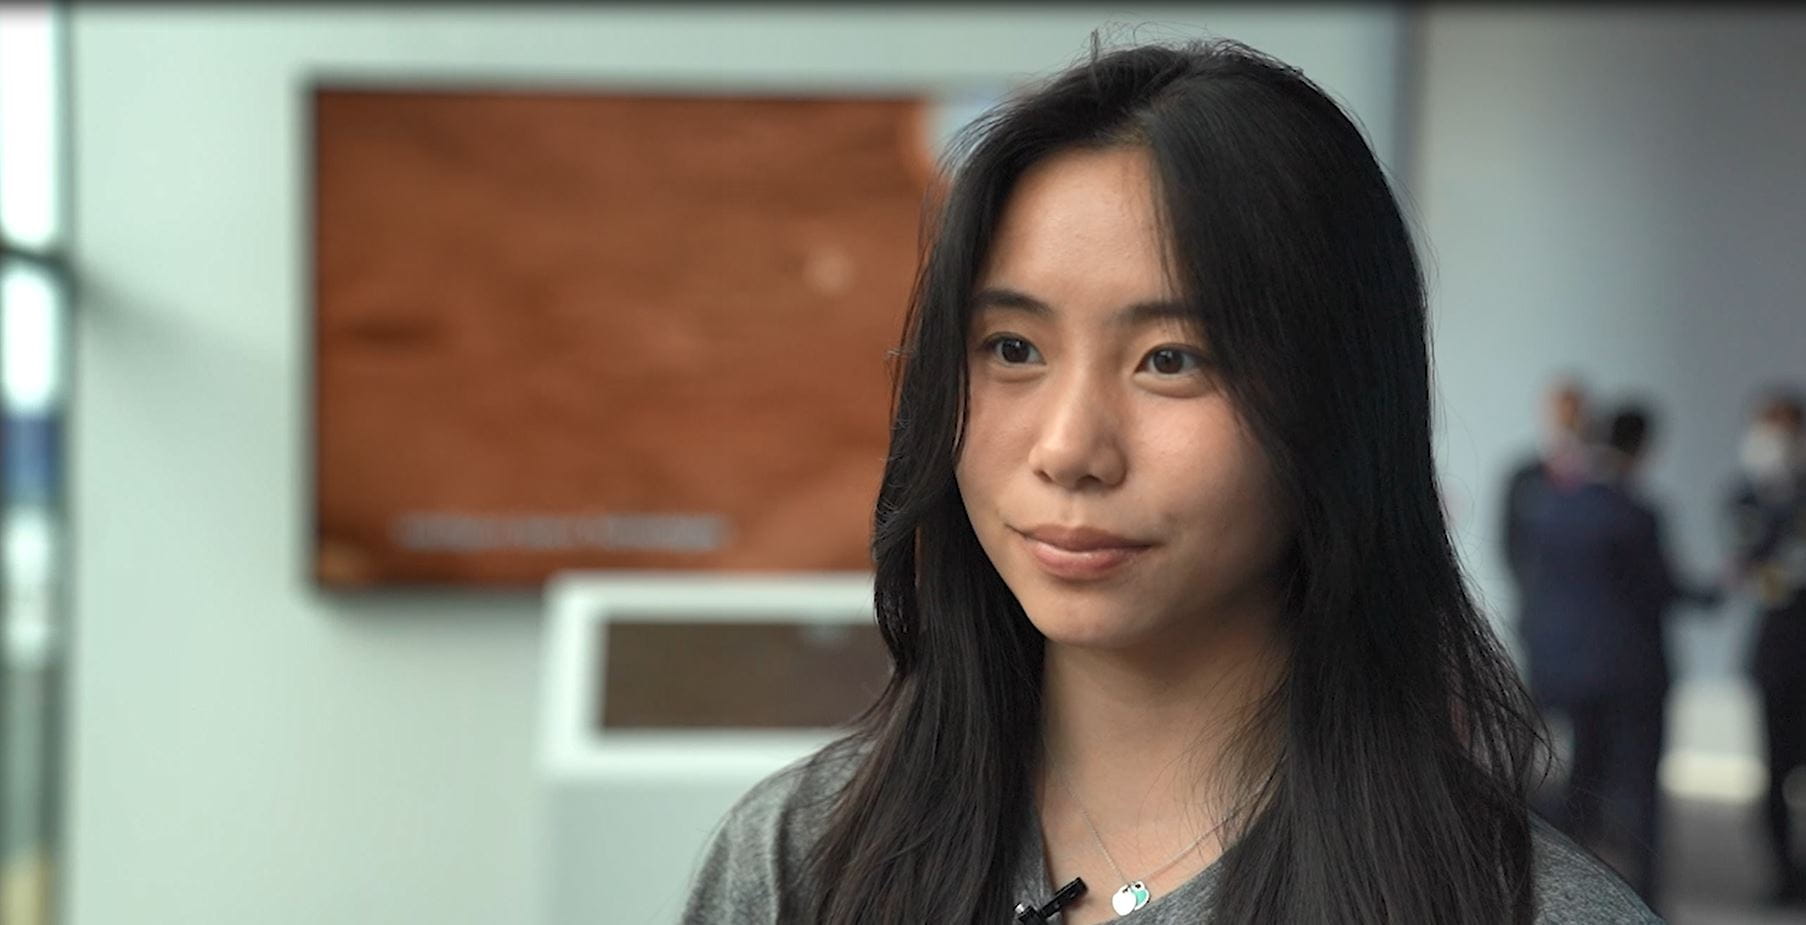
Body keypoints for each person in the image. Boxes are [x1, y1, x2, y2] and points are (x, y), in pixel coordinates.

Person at [681, 38, 1654, 923]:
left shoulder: (1525, 911)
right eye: (1012, 347)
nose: (1069, 449)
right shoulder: (804, 860)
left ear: (1336, 401)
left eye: (1172, 359)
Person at [1517, 404, 1718, 911]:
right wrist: (1716, 591)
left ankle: (1570, 896)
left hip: (1568, 669)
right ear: (1641, 447)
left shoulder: (1555, 507)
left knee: (1581, 781)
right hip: (1632, 674)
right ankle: (1642, 900)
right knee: (1639, 790)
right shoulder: (1636, 514)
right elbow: (1662, 588)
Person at [1726, 388, 1806, 905]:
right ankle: (1784, 877)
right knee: (1775, 771)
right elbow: (1748, 560)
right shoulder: (1746, 495)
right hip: (1778, 653)